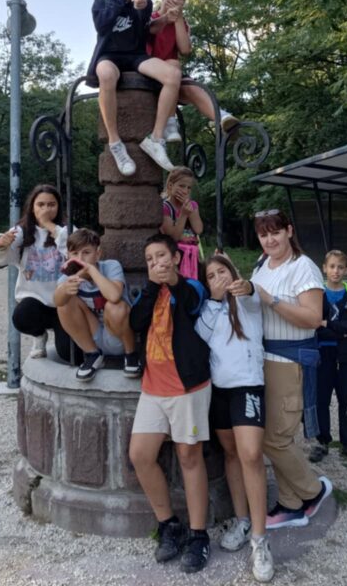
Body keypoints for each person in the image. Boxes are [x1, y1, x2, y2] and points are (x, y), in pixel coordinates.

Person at [128, 233, 212, 574]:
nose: (156, 263)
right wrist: (152, 286)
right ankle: (169, 524)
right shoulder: (148, 291)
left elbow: (192, 302)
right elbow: (135, 322)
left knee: (189, 456)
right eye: (150, 259)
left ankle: (198, 535)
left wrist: (172, 280)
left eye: (161, 256)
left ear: (176, 258)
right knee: (140, 455)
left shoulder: (193, 286)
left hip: (187, 387)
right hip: (153, 387)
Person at [250, 209, 332, 529]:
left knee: (274, 439)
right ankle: (290, 504)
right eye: (263, 234)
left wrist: (271, 300)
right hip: (265, 360)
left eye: (275, 232)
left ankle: (313, 490)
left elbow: (313, 318)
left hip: (289, 361)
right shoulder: (262, 264)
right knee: (278, 434)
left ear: (289, 230)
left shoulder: (303, 267)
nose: (270, 240)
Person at [195, 255, 274, 583]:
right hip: (219, 390)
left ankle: (260, 539)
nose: (219, 278)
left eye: (222, 271)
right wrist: (214, 300)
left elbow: (255, 293)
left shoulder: (247, 300)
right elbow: (202, 334)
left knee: (251, 455)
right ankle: (242, 520)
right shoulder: (208, 308)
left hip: (247, 387)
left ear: (233, 272)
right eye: (211, 275)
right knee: (231, 454)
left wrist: (246, 286)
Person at [86, 0, 178, 176]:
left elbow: (144, 33)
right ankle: (115, 143)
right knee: (105, 74)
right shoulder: (103, 0)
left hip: (136, 56)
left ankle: (156, 138)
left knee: (173, 75)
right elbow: (102, 26)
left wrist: (141, 10)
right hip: (109, 55)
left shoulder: (143, 1)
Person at [145, 0, 238, 139]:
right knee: (173, 64)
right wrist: (166, 18)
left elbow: (185, 50)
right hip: (150, 74)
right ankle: (170, 122)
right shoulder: (150, 18)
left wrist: (178, 19)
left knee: (192, 87)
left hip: (173, 77)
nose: (176, 0)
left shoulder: (182, 23)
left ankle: (223, 118)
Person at [0, 184, 69, 361]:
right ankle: (39, 335)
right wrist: (0, 243)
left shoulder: (66, 230)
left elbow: (73, 250)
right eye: (41, 204)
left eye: (51, 204)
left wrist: (49, 226)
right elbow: (0, 258)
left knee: (70, 354)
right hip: (36, 303)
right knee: (21, 316)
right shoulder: (22, 231)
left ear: (58, 207)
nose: (46, 209)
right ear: (32, 207)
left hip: (63, 304)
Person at [53, 228, 140, 381]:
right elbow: (57, 301)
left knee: (115, 306)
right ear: (68, 256)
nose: (80, 258)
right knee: (65, 302)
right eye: (75, 253)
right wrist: (66, 288)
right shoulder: (68, 277)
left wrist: (91, 270)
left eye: (86, 252)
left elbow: (114, 296)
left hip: (118, 334)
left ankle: (131, 355)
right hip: (93, 335)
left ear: (98, 253)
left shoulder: (111, 266)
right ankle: (92, 354)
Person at [309, 250, 347, 465]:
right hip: (322, 353)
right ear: (324, 268)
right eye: (332, 266)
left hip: (346, 355)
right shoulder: (316, 293)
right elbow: (314, 325)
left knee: (346, 399)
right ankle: (322, 441)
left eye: (340, 267)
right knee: (321, 399)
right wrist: (341, 330)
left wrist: (329, 324)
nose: (336, 271)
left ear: (346, 270)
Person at [160, 167, 203, 281]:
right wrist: (183, 215)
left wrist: (189, 210)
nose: (185, 191)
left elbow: (198, 229)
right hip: (176, 257)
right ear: (170, 186)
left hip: (193, 256)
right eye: (182, 186)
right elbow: (173, 236)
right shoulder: (165, 207)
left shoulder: (192, 205)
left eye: (189, 188)